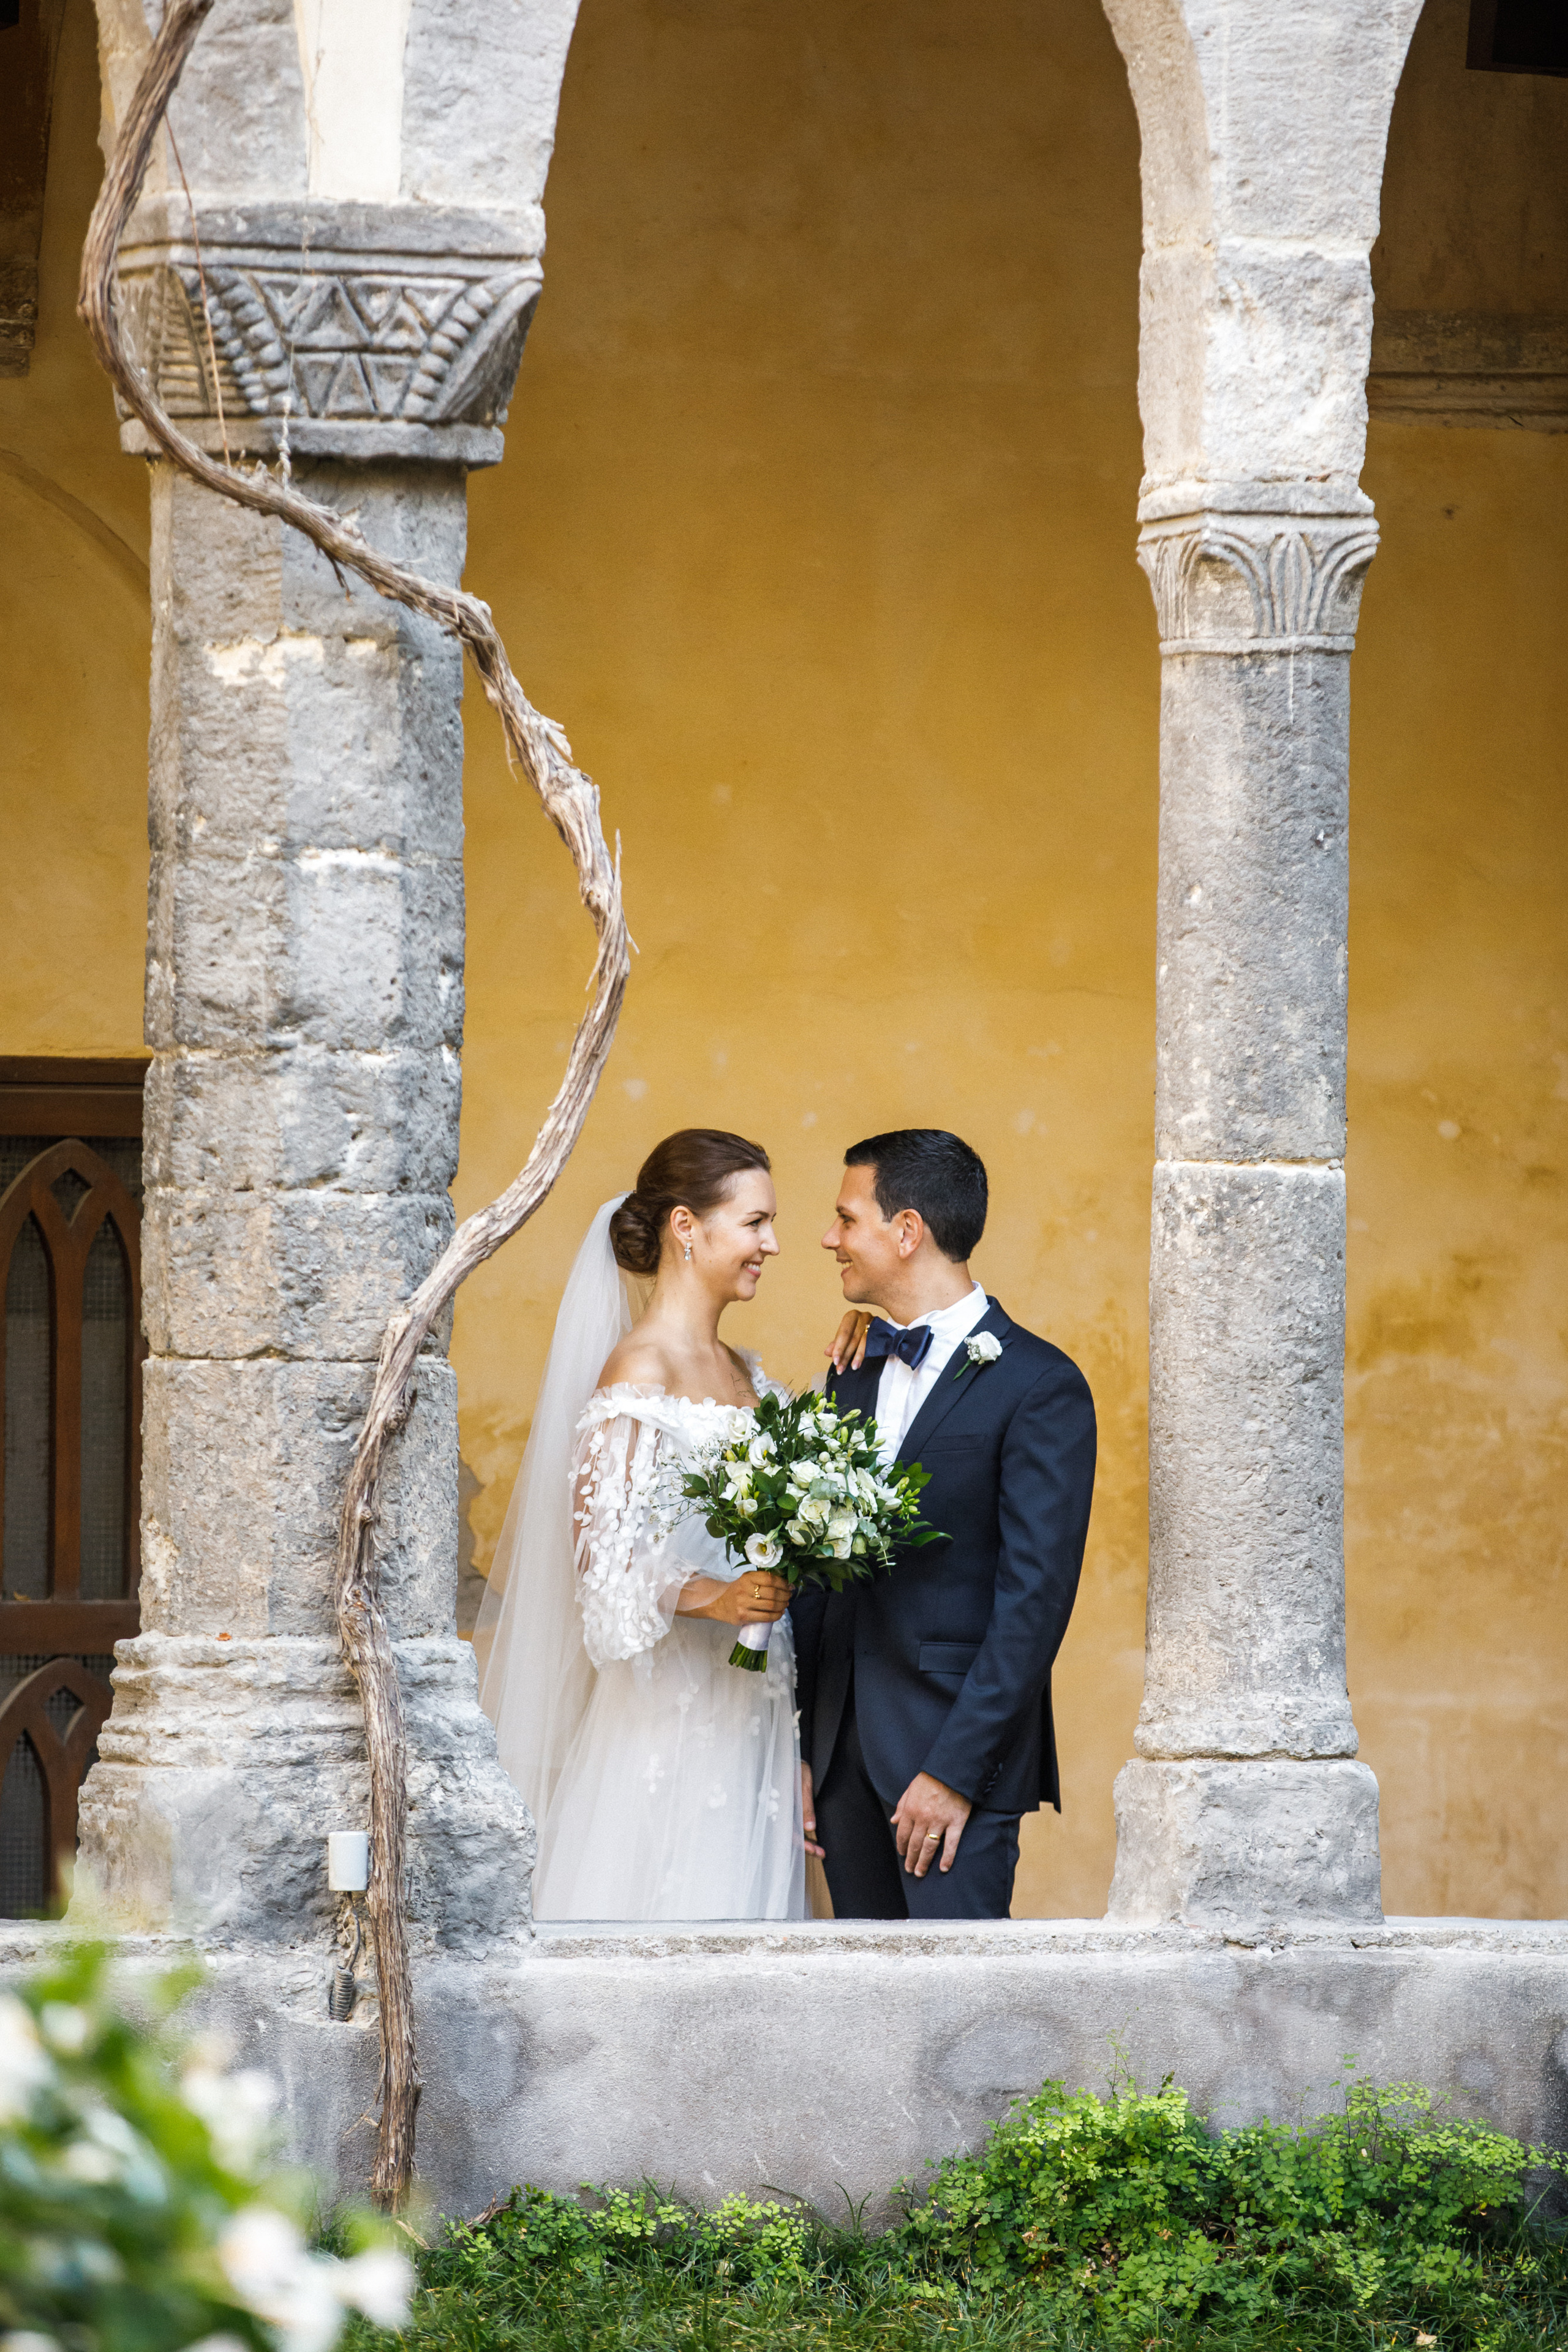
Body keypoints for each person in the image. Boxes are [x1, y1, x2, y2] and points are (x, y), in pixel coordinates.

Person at [475, 1129, 810, 1920]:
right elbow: (604, 1573)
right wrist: (719, 1599)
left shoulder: (751, 1376)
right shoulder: (639, 1371)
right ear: (687, 1228)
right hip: (672, 1721)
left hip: (757, 1713)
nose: (774, 1243)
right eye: (755, 1222)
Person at [791, 1129, 1097, 1920]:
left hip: (953, 1771)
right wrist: (801, 1750)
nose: (830, 1238)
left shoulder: (1040, 1386)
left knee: (959, 2024)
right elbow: (822, 1575)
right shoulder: (850, 1371)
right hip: (841, 1767)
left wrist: (956, 1773)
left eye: (846, 1218)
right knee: (864, 2015)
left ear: (907, 1231)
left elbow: (1035, 1600)